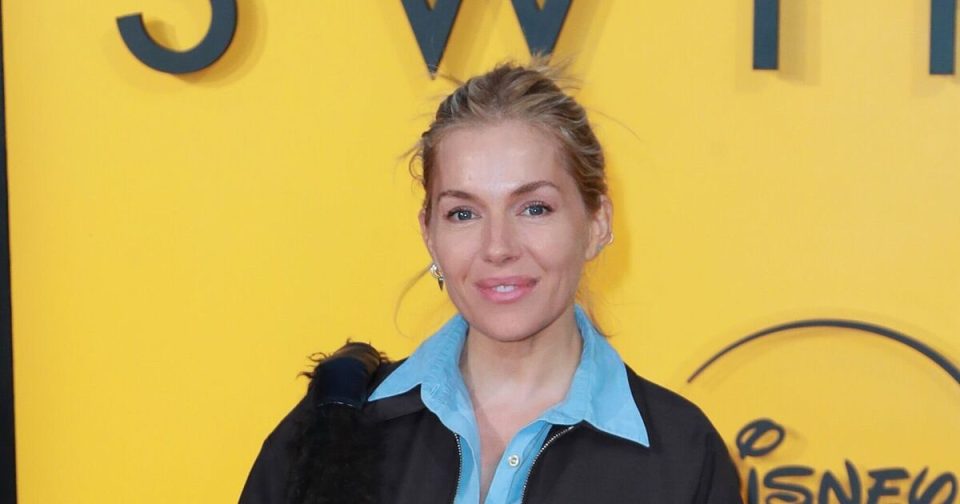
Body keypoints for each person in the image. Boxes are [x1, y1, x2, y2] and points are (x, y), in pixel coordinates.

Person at [239, 59, 743, 504]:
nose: (498, 246)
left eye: (534, 208)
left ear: (597, 224)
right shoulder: (335, 421)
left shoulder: (681, 454)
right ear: (429, 234)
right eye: (463, 213)